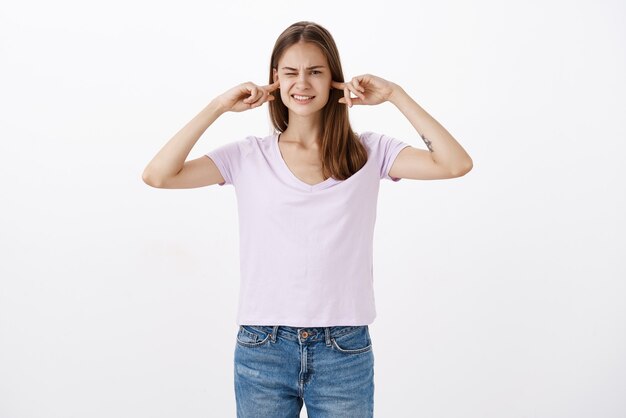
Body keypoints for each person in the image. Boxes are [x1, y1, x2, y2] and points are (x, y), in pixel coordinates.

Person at [142, 20, 472, 418]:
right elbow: (158, 175)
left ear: (334, 78)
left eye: (315, 71)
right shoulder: (248, 156)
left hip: (343, 350)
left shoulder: (370, 152)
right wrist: (218, 107)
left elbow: (455, 164)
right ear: (274, 81)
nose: (302, 83)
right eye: (290, 72)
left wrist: (396, 96)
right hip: (262, 347)